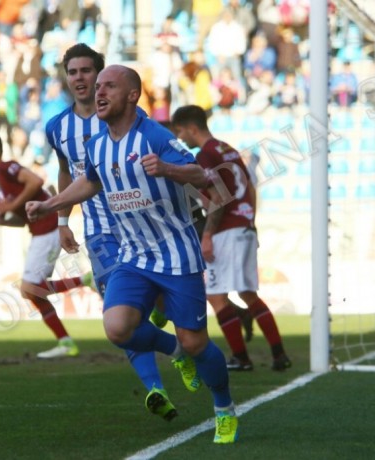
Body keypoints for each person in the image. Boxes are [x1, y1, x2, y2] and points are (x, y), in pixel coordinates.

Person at [27, 65, 238, 444]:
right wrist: (52, 206)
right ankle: (175, 351)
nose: (98, 92)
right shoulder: (97, 144)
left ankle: (223, 406)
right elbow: (90, 182)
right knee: (117, 327)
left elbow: (203, 176)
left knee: (196, 342)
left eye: (108, 86)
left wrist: (169, 168)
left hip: (176, 255)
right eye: (97, 87)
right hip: (132, 256)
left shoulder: (154, 135)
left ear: (131, 96)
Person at [46, 43, 198, 423]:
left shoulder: (123, 115)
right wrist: (63, 219)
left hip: (148, 228)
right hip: (102, 235)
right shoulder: (57, 128)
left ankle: (180, 346)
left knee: (156, 309)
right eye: (73, 72)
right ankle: (156, 387)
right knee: (121, 319)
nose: (81, 79)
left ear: (102, 78)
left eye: (88, 72)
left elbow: (158, 153)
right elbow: (69, 173)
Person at [171, 104, 292, 372]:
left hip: (227, 230)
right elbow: (248, 186)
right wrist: (250, 221)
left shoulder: (206, 154)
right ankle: (279, 354)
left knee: (215, 295)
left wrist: (208, 235)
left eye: (181, 133)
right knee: (248, 293)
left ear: (192, 128)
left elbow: (218, 197)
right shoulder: (228, 149)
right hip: (244, 226)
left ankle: (241, 357)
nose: (181, 139)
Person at [0, 132, 91, 358]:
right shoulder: (2, 181)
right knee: (32, 291)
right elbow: (26, 217)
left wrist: (9, 207)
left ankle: (85, 282)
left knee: (30, 289)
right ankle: (66, 341)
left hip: (48, 229)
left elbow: (35, 180)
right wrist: (1, 221)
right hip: (41, 229)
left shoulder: (6, 168)